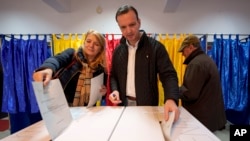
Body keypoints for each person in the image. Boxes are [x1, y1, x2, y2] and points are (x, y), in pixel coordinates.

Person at [109, 5, 180, 122]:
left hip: (148, 107)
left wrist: (171, 99)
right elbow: (113, 76)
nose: (128, 31)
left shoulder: (156, 48)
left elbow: (168, 75)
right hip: (124, 105)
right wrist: (115, 90)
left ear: (139, 22)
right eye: (123, 27)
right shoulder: (118, 50)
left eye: (132, 24)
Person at [33, 29, 107, 106]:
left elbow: (102, 92)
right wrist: (47, 68)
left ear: (100, 49)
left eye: (96, 44)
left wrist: (104, 92)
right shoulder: (72, 55)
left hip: (88, 108)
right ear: (84, 42)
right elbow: (57, 59)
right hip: (64, 105)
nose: (91, 46)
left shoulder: (101, 68)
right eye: (88, 41)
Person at [178, 35, 227, 132]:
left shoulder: (196, 64)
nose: (182, 54)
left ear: (191, 47)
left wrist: (175, 89)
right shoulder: (206, 60)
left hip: (201, 119)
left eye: (183, 50)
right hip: (210, 116)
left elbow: (190, 94)